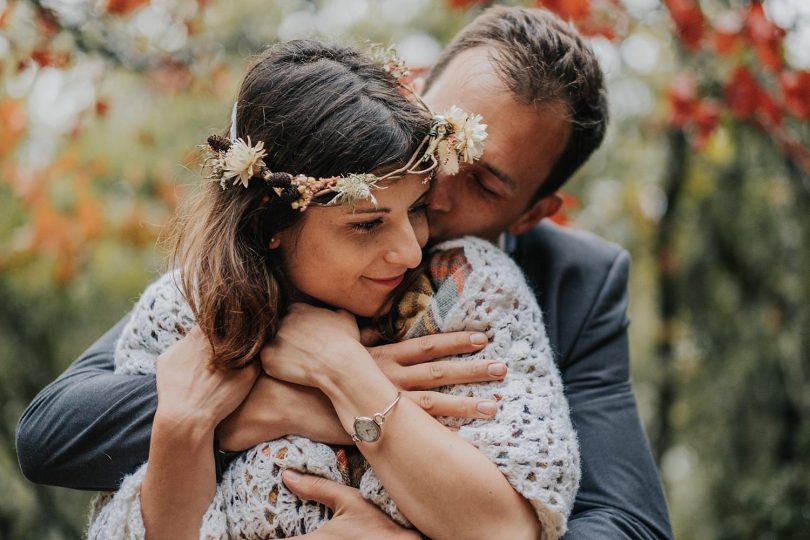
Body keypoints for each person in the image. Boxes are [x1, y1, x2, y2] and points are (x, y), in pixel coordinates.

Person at [16, 5, 674, 539]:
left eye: (483, 180)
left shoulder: (569, 283)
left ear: (534, 212)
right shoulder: (291, 218)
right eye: (442, 137)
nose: (436, 184)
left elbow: (628, 525)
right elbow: (56, 436)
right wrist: (282, 401)